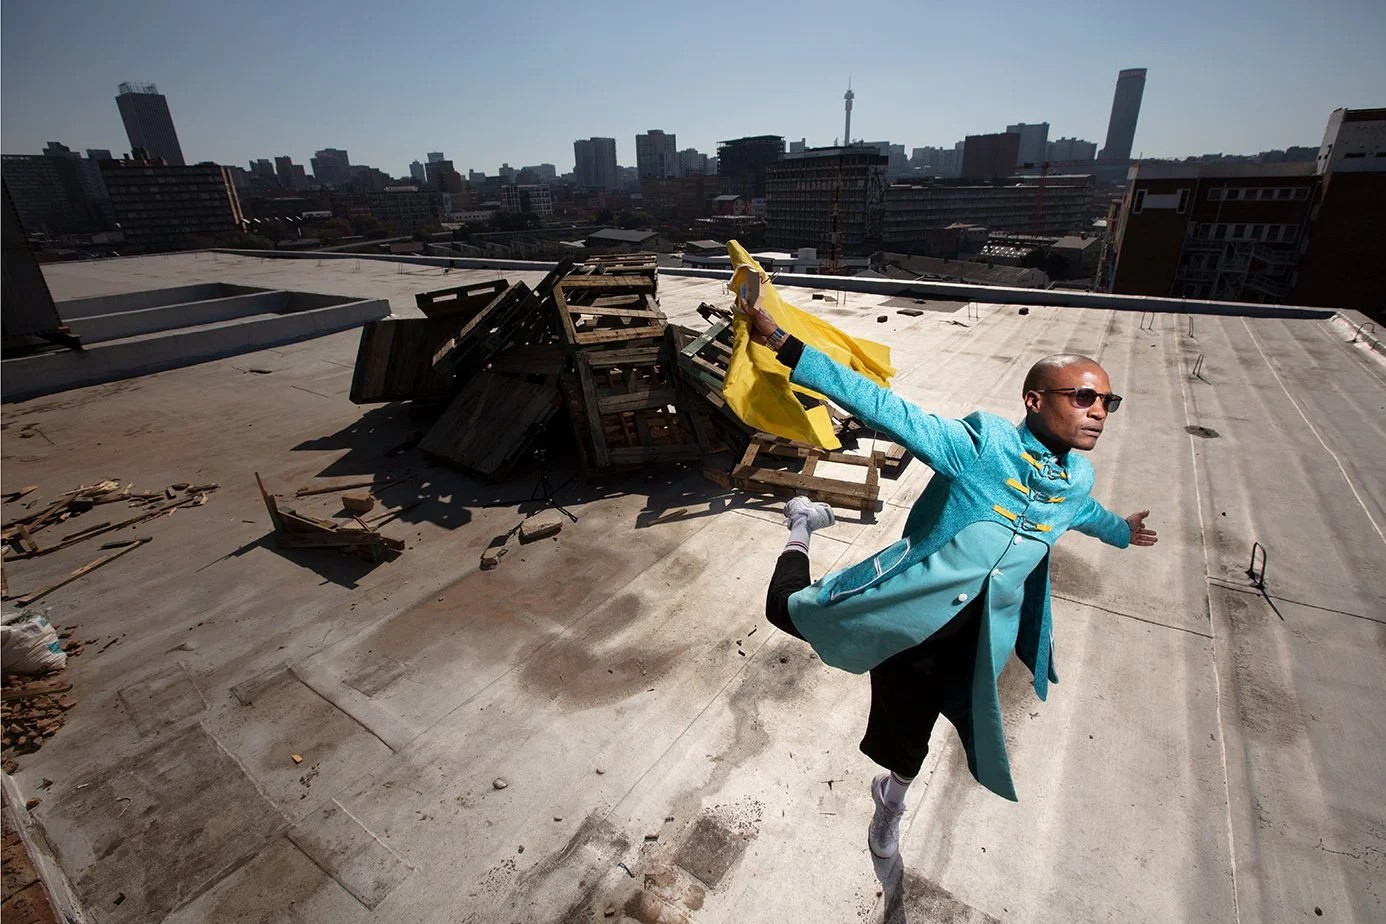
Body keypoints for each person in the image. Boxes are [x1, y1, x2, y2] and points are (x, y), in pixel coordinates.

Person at [737, 292, 1158, 860]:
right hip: (905, 620)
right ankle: (801, 526)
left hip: (980, 640)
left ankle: (891, 799)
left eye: (1109, 400)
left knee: (939, 734)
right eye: (1084, 396)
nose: (1099, 410)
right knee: (789, 612)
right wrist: (784, 345)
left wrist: (1124, 532)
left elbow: (1089, 515)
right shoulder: (982, 446)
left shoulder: (1075, 481)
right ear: (1034, 400)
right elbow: (886, 407)